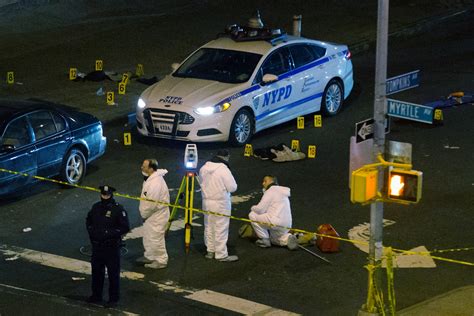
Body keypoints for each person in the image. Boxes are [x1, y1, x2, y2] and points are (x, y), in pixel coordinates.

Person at [86, 185, 130, 308]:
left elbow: (125, 227)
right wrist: (91, 232)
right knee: (96, 273)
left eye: (107, 195)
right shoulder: (96, 207)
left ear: (111, 195)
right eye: (103, 195)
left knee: (113, 274)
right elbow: (88, 220)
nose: (105, 197)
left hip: (111, 247)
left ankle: (113, 299)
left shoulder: (118, 210)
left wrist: (109, 233)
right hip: (97, 247)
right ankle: (96, 295)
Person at [199, 149, 238, 262]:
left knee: (209, 226)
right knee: (221, 228)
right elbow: (232, 187)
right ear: (226, 157)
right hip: (220, 203)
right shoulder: (223, 170)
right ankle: (221, 254)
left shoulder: (203, 168)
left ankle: (210, 250)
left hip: (206, 202)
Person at [248, 175, 298, 250]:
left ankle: (264, 240)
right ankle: (288, 239)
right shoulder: (283, 193)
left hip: (275, 222)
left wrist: (252, 207)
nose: (263, 183)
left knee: (252, 214)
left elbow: (260, 209)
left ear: (272, 181)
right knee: (275, 240)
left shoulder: (271, 190)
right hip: (287, 224)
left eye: (265, 181)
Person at [136, 158, 170, 269]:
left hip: (156, 215)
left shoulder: (155, 183)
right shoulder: (150, 178)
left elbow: (152, 204)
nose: (142, 167)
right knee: (148, 236)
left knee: (156, 238)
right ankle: (150, 256)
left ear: (151, 168)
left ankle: (161, 260)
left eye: (144, 166)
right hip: (152, 215)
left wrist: (144, 214)